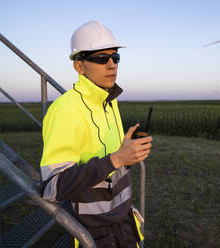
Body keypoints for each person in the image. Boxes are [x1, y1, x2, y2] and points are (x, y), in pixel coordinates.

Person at [40, 20, 152, 248]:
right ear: (79, 66)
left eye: (116, 57)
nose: (112, 65)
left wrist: (128, 153)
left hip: (123, 220)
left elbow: (111, 161)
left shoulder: (109, 101)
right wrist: (117, 159)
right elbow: (53, 188)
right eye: (101, 58)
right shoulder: (65, 110)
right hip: (94, 232)